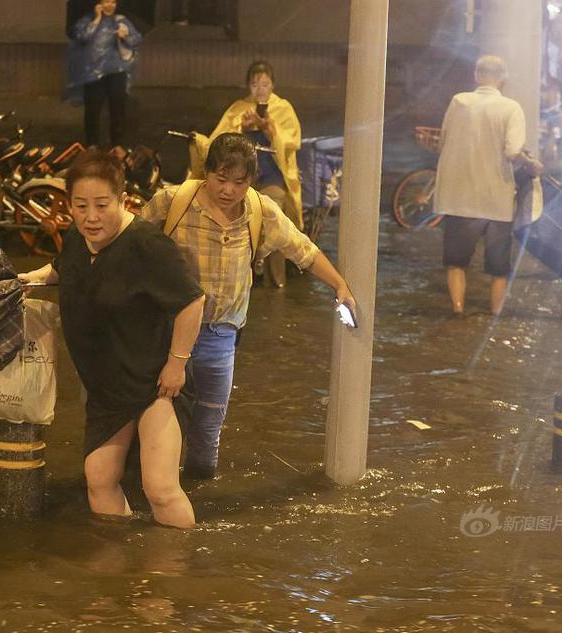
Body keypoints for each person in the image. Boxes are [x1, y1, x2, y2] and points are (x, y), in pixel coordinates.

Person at [141, 133, 355, 479]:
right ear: (205, 173)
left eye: (238, 183)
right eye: (220, 179)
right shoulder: (173, 201)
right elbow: (129, 238)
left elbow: (303, 250)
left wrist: (339, 284)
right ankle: (156, 488)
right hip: (166, 330)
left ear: (251, 181)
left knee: (209, 424)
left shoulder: (260, 211)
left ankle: (198, 489)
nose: (227, 190)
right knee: (161, 413)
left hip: (221, 335)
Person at [19, 150, 205, 528]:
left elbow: (192, 300)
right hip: (108, 390)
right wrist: (27, 281)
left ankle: (176, 576)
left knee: (160, 488)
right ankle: (122, 567)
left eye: (102, 205)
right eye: (80, 205)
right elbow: (60, 270)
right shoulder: (76, 239)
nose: (91, 217)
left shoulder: (147, 245)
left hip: (155, 384)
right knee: (99, 478)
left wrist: (176, 364)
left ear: (122, 200)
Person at [435, 55, 543, 316]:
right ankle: (495, 312)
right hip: (496, 199)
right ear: (503, 79)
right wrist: (531, 164)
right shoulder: (511, 108)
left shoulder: (459, 101)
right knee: (498, 268)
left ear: (476, 75)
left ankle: (457, 311)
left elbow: (444, 140)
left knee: (456, 263)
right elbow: (513, 150)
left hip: (458, 197)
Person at [190, 60, 303, 288]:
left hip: (271, 176)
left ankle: (277, 280)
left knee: (274, 216)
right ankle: (230, 276)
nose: (260, 89)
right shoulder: (239, 109)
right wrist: (241, 129)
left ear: (272, 85)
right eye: (254, 84)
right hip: (241, 180)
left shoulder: (282, 108)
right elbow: (217, 141)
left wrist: (267, 128)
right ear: (248, 86)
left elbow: (292, 141)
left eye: (264, 83)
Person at [66, 0, 141, 150]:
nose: (110, 5)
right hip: (93, 74)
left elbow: (136, 39)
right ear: (98, 3)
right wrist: (96, 19)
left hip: (117, 72)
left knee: (118, 109)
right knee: (92, 110)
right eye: (106, 1)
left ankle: (117, 144)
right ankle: (92, 144)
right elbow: (81, 36)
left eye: (113, 2)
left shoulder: (121, 20)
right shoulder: (87, 20)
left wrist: (125, 35)